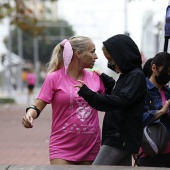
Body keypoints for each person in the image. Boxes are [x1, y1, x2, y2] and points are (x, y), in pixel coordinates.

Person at [22, 36, 105, 165]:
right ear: (78, 54)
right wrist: (29, 115)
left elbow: (111, 103)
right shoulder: (54, 78)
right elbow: (37, 106)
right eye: (92, 51)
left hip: (90, 147)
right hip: (62, 147)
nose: (96, 56)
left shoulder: (96, 78)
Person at [76, 34, 147, 166]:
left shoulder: (136, 76)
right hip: (117, 137)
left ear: (121, 56)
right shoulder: (127, 75)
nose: (110, 64)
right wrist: (105, 79)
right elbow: (118, 91)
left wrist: (89, 94)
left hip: (120, 138)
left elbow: (120, 100)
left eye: (111, 59)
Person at [136, 52, 170, 167]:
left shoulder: (167, 92)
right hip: (149, 151)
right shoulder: (141, 89)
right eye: (167, 72)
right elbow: (136, 119)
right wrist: (161, 112)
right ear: (154, 68)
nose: (168, 75)